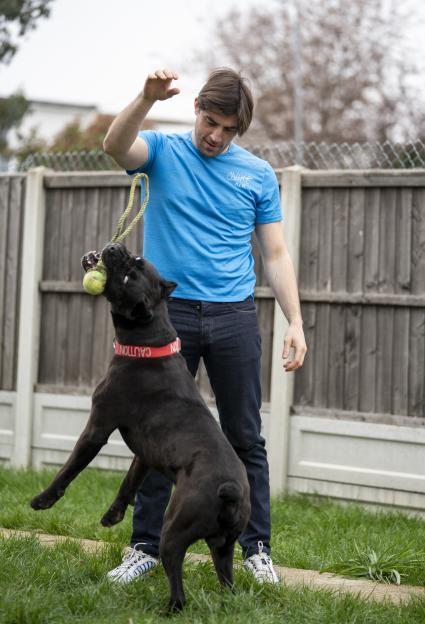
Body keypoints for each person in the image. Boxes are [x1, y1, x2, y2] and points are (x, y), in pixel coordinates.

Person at [102, 67, 307, 585]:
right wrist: (145, 98)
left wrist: (296, 321)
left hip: (234, 316)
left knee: (244, 436)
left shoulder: (257, 174)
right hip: (168, 319)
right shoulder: (164, 153)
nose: (215, 136)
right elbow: (114, 145)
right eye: (210, 122)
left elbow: (276, 253)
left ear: (240, 130)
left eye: (228, 129)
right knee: (158, 437)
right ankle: (145, 547)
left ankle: (255, 547)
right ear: (196, 108)